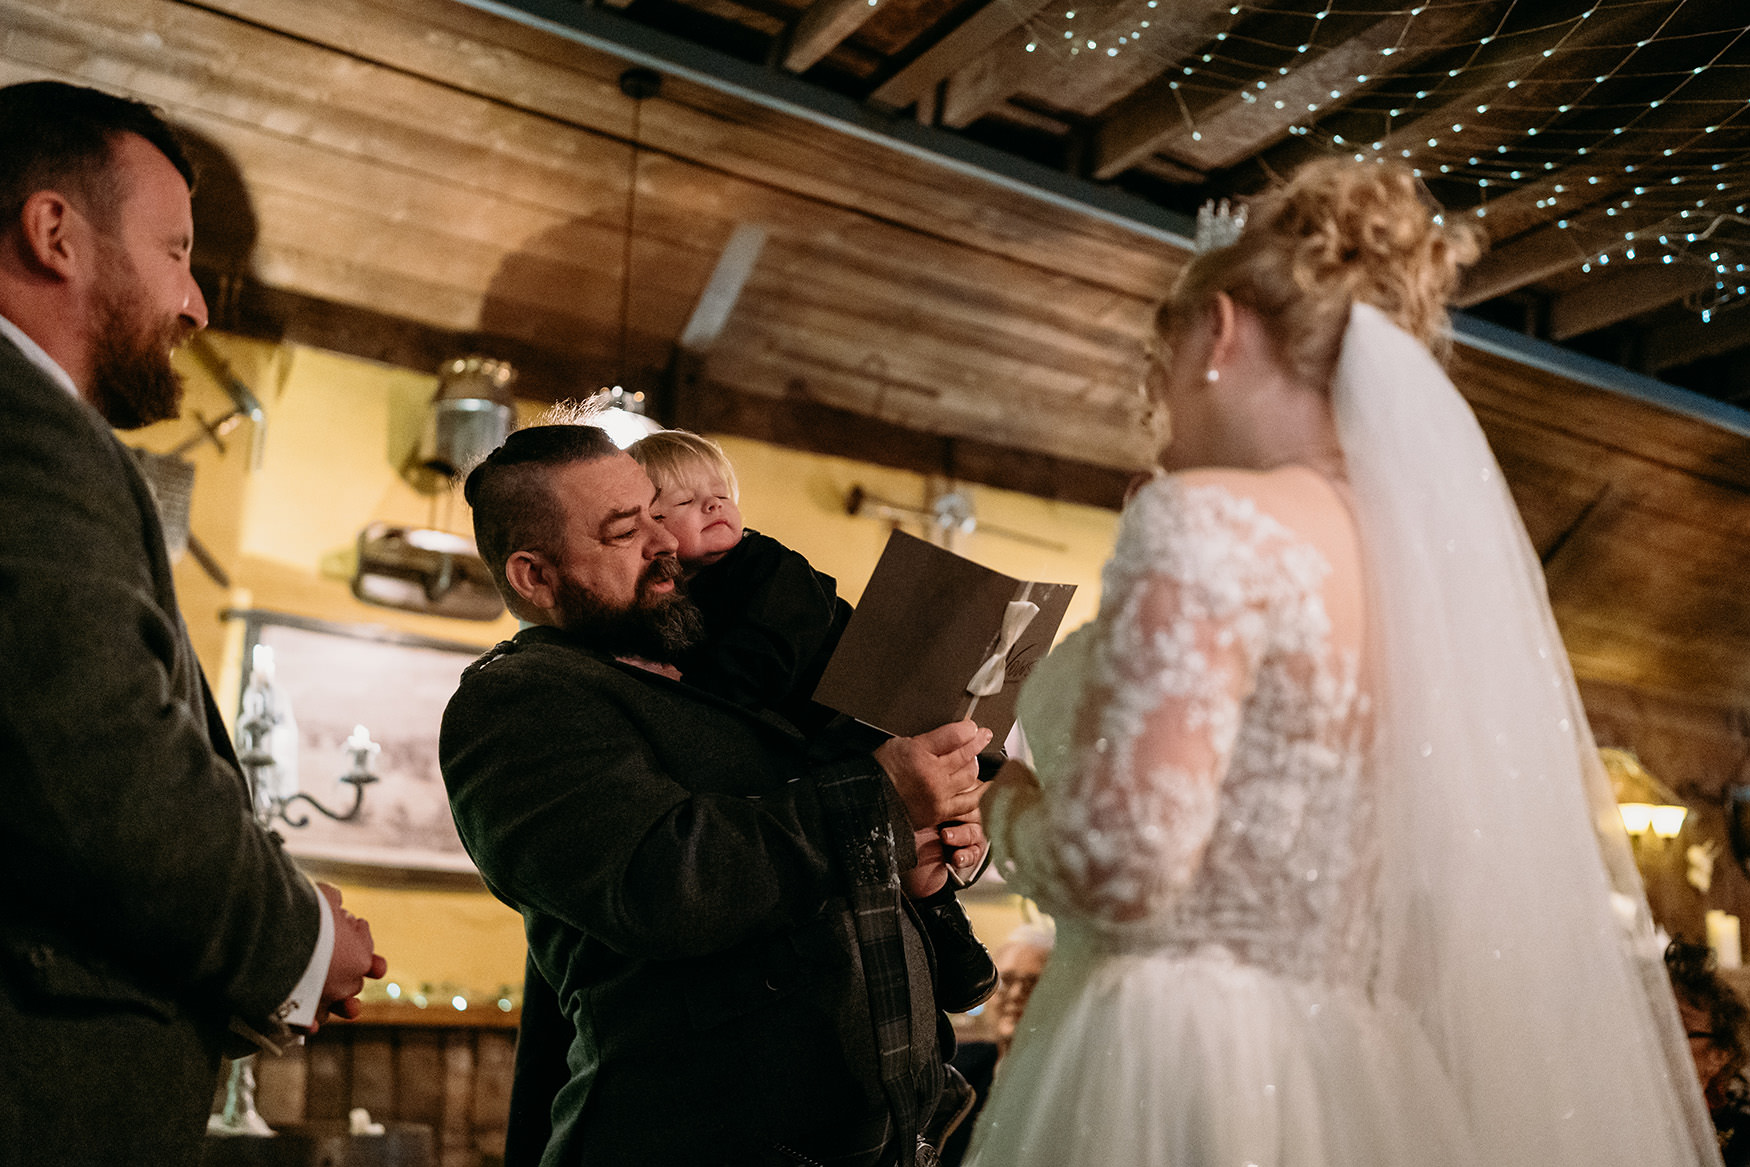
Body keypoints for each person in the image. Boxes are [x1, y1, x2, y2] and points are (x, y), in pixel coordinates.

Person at [965, 157, 1720, 1166]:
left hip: (1173, 1050)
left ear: (1220, 335)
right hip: (1347, 1059)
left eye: (1171, 360)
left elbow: (1127, 861)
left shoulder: (1209, 521)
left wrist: (1004, 798)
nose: (1169, 410)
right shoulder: (1418, 582)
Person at [0, 79, 386, 1162]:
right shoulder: (27, 427)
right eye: (175, 253)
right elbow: (94, 761)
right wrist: (302, 942)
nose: (195, 306)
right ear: (55, 233)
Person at [441, 423, 993, 1165]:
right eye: (625, 530)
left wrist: (920, 853)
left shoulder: (712, 669)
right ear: (535, 576)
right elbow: (665, 881)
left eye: (655, 513)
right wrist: (883, 798)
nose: (665, 542)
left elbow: (814, 850)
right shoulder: (519, 700)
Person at [939, 923, 1054, 1167]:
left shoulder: (1057, 1081)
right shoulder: (958, 1068)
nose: (1015, 994)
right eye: (1007, 981)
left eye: (1032, 983)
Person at [1667, 939, 1750, 1164]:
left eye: (1677, 1028)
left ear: (1719, 1055)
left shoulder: (1742, 1138)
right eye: (1659, 1026)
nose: (1662, 1041)